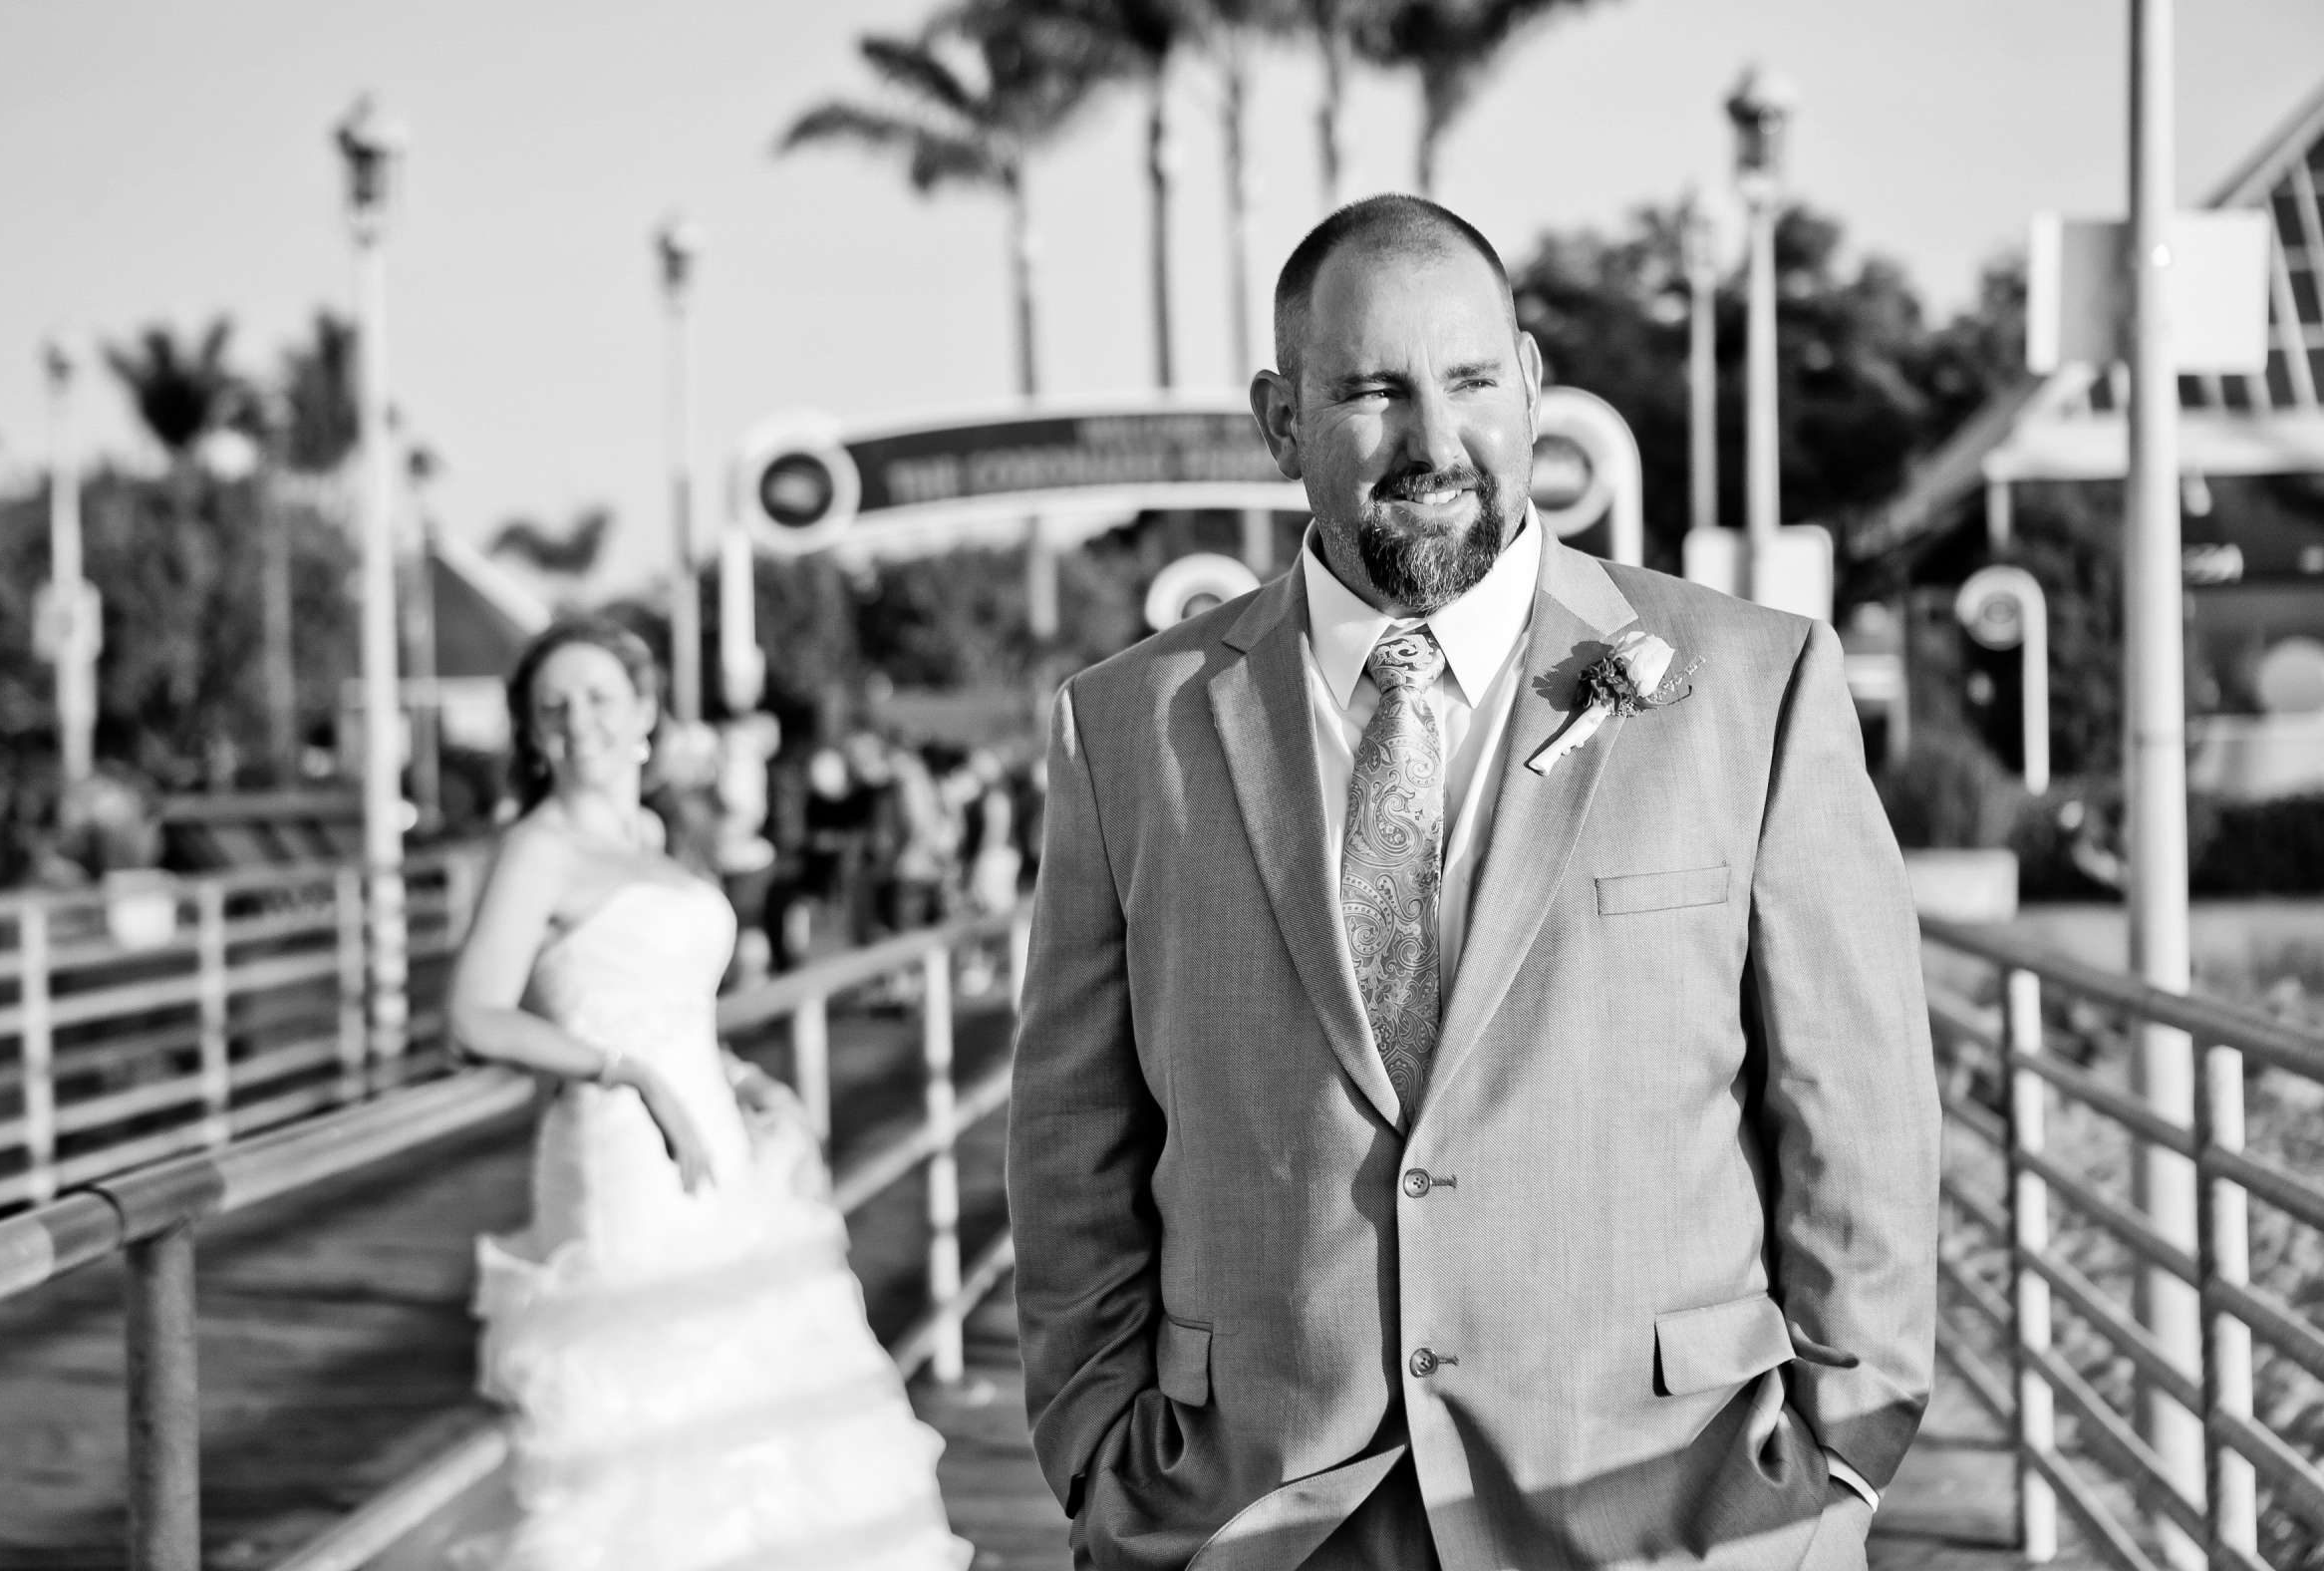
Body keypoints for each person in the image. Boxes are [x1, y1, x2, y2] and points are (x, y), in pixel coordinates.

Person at [1008, 194, 1939, 1571]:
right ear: (1281, 421)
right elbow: (1072, 1131)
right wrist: (1097, 1450)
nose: (1434, 443)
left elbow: (1857, 1115)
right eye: (1375, 391)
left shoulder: (1755, 687)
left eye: (1471, 383)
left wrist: (1841, 1457)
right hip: (1256, 1517)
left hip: (1668, 1509)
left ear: (1533, 392)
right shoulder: (1129, 726)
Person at [444, 617, 969, 1571]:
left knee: (756, 1392)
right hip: (618, 1151)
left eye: (601, 697)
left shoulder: (654, 834)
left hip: (716, 1137)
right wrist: (622, 1072)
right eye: (553, 705)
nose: (579, 721)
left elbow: (670, 1003)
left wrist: (746, 1079)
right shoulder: (538, 848)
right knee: (648, 1414)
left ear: (644, 714)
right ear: (529, 731)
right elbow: (475, 1016)